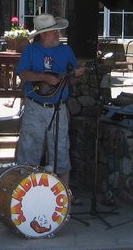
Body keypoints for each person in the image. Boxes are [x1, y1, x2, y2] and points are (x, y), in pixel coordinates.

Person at [16, 13, 84, 182]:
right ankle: (24, 192)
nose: (58, 34)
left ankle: (64, 193)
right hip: (35, 106)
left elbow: (72, 81)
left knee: (61, 153)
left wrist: (77, 75)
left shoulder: (66, 50)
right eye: (54, 32)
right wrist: (44, 77)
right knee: (28, 152)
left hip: (58, 107)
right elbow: (23, 74)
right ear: (43, 34)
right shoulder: (30, 50)